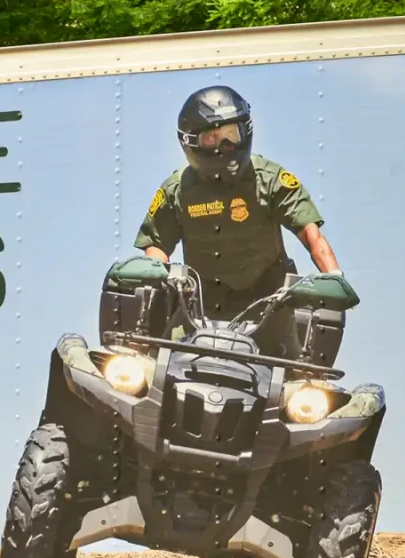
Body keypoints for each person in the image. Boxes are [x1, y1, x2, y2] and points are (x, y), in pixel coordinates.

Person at [119, 85, 354, 360]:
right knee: (153, 361)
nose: (226, 145)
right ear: (191, 141)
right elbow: (157, 246)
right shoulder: (176, 190)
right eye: (213, 138)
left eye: (232, 134)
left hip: (270, 303)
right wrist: (159, 273)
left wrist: (335, 278)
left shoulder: (270, 179)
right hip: (198, 305)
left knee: (297, 378)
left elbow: (312, 236)